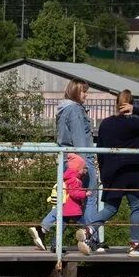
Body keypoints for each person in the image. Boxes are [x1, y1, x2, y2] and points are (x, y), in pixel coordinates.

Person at [84, 89, 139, 257]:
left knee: (111, 207)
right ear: (130, 103)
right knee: (136, 207)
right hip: (133, 171)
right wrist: (136, 110)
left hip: (112, 171)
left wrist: (104, 172)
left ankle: (90, 229)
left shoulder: (105, 123)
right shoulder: (133, 123)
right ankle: (134, 245)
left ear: (116, 104)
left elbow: (100, 150)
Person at [28, 80, 98, 249]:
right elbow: (79, 139)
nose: (86, 95)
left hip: (66, 159)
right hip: (79, 159)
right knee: (90, 198)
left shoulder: (63, 109)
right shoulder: (74, 110)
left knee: (69, 201)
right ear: (75, 92)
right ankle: (90, 239)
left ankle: (48, 234)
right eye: (83, 92)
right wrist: (86, 165)